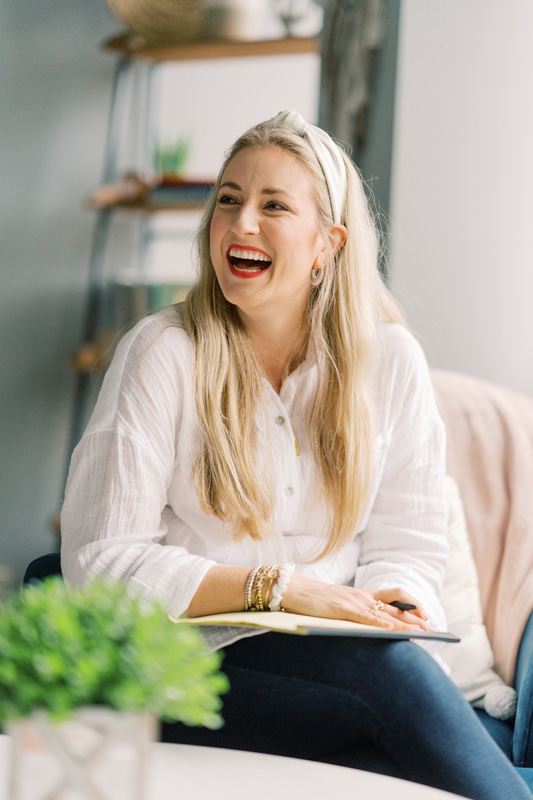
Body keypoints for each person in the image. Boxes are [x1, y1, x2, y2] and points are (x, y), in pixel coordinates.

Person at [61, 110, 531, 799]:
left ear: (325, 245)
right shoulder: (162, 353)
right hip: (194, 663)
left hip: (345, 660)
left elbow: (410, 539)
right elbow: (102, 562)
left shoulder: (388, 360)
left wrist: (392, 597)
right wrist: (280, 588)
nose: (240, 223)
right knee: (391, 678)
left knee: (398, 721)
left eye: (272, 205)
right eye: (227, 199)